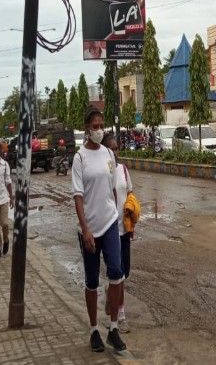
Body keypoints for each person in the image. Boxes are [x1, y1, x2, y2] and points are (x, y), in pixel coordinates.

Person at [72, 108, 127, 353]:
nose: (99, 129)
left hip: (110, 224)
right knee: (92, 280)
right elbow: (78, 196)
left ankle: (113, 327)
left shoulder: (108, 154)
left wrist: (117, 216)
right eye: (95, 126)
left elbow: (113, 188)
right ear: (87, 128)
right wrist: (85, 230)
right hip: (90, 228)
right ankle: (94, 329)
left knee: (117, 273)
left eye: (101, 125)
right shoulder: (79, 158)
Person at [103, 133, 140, 334]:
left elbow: (130, 192)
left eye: (117, 148)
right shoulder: (102, 172)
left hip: (123, 229)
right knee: (117, 273)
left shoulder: (123, 170)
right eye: (111, 149)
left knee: (124, 271)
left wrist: (131, 213)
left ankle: (111, 295)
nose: (115, 152)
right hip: (108, 230)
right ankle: (120, 314)